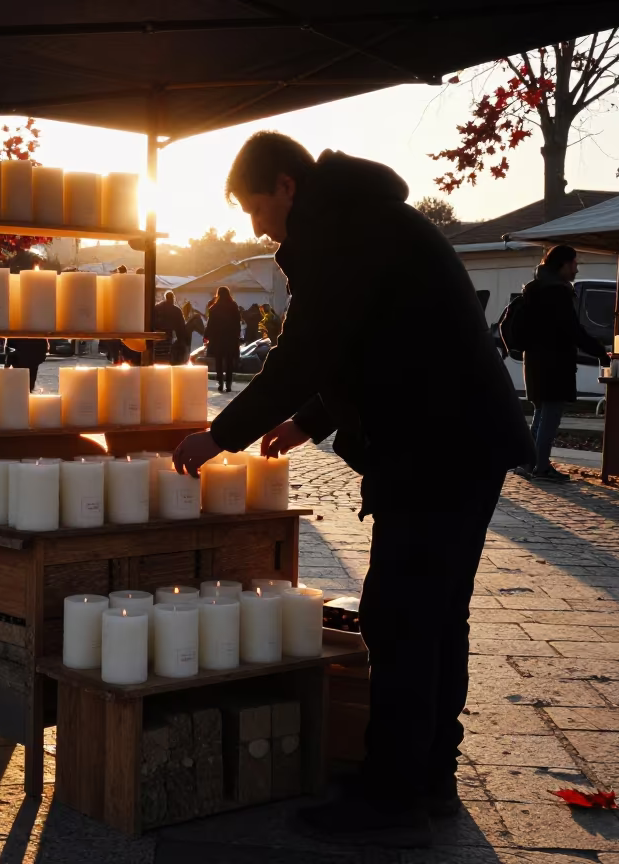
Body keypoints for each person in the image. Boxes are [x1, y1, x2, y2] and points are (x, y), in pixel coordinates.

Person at [172, 132, 533, 846]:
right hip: (459, 438)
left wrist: (221, 435)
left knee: (398, 618)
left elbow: (306, 348)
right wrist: (311, 420)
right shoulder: (363, 218)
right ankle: (428, 777)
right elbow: (374, 341)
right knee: (435, 617)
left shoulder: (341, 226)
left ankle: (393, 800)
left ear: (285, 186)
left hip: (437, 445)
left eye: (256, 209)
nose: (257, 228)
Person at [515, 245, 610, 483]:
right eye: (574, 264)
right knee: (551, 414)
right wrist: (600, 351)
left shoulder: (535, 288)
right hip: (554, 362)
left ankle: (530, 462)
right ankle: (542, 467)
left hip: (535, 360)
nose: (576, 269)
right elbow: (572, 330)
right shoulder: (557, 292)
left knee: (540, 412)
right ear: (563, 265)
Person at [203, 286, 242, 392]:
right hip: (230, 338)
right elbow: (238, 322)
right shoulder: (233, 306)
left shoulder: (215, 308)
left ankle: (220, 383)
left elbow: (210, 324)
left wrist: (206, 336)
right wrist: (238, 335)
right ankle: (228, 384)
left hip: (218, 338)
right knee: (229, 361)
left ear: (218, 294)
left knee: (219, 361)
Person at [153, 290, 190, 365]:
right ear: (173, 298)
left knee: (157, 356)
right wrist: (181, 340)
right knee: (167, 356)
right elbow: (181, 327)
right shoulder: (176, 310)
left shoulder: (157, 307)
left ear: (165, 297)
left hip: (156, 335)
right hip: (169, 336)